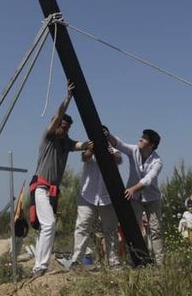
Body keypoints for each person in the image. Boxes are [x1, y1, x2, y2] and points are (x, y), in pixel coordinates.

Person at [30, 81, 93, 277]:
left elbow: (82, 145)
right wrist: (68, 98)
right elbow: (58, 115)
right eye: (61, 126)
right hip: (41, 187)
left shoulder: (65, 141)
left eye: (66, 128)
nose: (63, 130)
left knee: (44, 228)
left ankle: (38, 266)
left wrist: (95, 142)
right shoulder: (48, 137)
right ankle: (41, 266)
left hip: (53, 192)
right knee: (49, 225)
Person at [61, 134, 125, 270]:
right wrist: (91, 150)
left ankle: (113, 262)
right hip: (88, 195)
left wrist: (109, 153)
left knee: (110, 229)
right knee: (82, 227)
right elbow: (85, 157)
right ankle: (76, 261)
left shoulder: (112, 148)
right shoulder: (91, 146)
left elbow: (119, 160)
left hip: (107, 196)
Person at [105, 127, 165, 264]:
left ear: (151, 145)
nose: (140, 139)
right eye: (141, 136)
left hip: (152, 199)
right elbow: (119, 144)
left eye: (144, 138)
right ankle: (134, 260)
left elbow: (148, 180)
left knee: (155, 230)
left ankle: (160, 264)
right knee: (132, 229)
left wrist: (132, 189)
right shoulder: (134, 150)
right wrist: (108, 135)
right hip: (135, 199)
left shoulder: (157, 161)